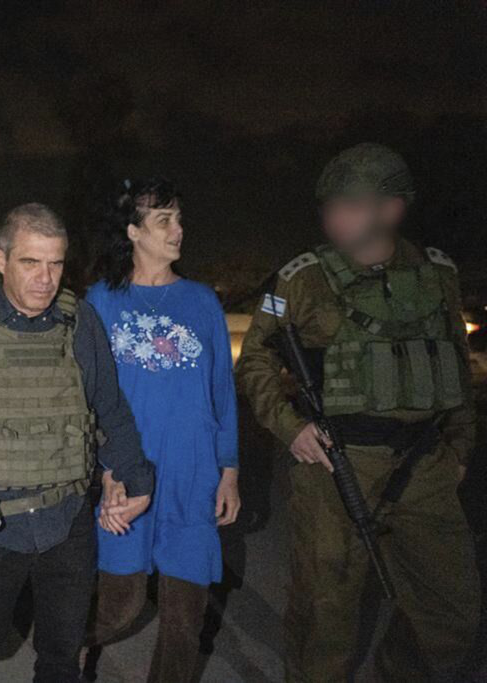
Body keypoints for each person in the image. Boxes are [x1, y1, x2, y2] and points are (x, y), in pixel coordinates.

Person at [236, 142, 481, 681]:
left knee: (452, 614)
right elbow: (255, 359)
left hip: (426, 465)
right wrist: (290, 427)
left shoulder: (438, 273)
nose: (332, 218)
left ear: (391, 208)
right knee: (326, 615)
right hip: (333, 465)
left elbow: (455, 368)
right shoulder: (300, 279)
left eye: (348, 205)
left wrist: (460, 450)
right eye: (330, 206)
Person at [0, 202, 156, 683]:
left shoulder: (80, 322)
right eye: (30, 262)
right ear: (1, 261)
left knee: (62, 649)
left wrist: (136, 478)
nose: (45, 278)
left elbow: (109, 407)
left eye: (55, 263)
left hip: (68, 519)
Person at [82, 178, 240, 681]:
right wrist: (107, 472)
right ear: (132, 231)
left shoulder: (201, 302)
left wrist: (229, 468)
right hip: (129, 472)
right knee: (120, 605)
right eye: (163, 220)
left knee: (184, 619)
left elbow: (221, 390)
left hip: (193, 474)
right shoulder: (101, 302)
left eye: (179, 219)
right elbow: (87, 398)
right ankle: (68, 648)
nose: (178, 230)